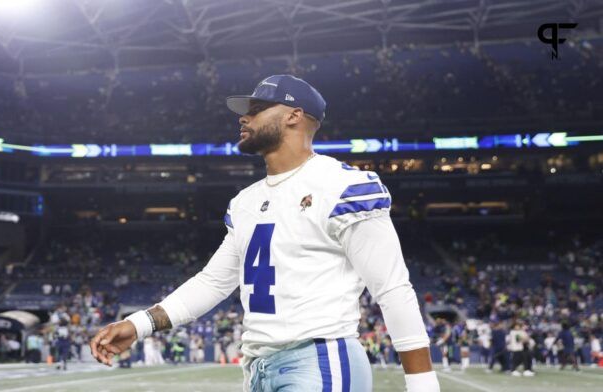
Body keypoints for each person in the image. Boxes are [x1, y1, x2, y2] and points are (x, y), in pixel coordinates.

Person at [90, 75, 439, 391]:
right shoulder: (246, 201)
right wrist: (138, 325)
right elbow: (213, 282)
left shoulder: (343, 186)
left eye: (257, 109)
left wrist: (423, 385)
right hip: (258, 369)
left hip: (319, 361)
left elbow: (392, 289)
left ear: (293, 115)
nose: (244, 117)